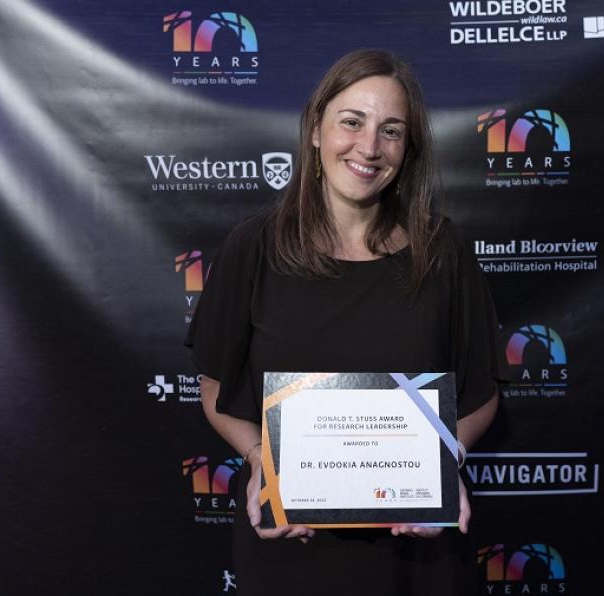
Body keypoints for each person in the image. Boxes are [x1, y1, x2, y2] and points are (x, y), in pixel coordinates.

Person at [184, 48, 504, 596]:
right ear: (315, 129)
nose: (369, 147)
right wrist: (261, 458)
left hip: (416, 549)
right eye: (351, 122)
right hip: (292, 542)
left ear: (408, 150)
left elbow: (481, 393)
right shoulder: (253, 247)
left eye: (391, 131)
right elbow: (214, 384)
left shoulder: (443, 250)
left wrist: (445, 462)